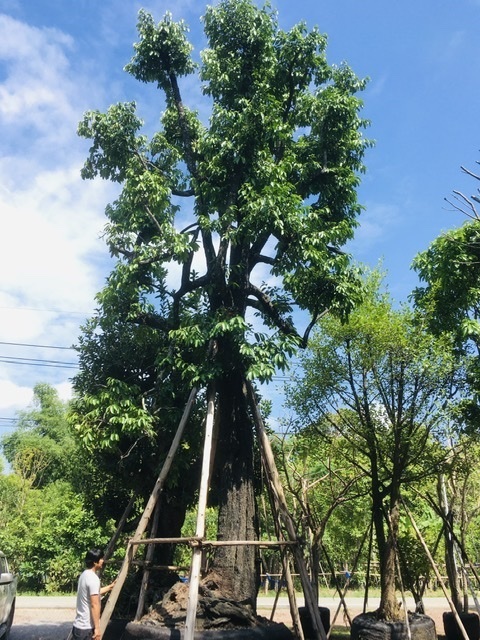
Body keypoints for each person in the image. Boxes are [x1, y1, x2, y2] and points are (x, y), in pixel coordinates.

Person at [70, 548, 116, 640]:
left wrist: (110, 587)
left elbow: (94, 593)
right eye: (101, 559)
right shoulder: (93, 579)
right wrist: (97, 628)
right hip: (86, 629)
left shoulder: (84, 575)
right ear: (95, 562)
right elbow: (94, 604)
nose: (103, 561)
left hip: (78, 627)